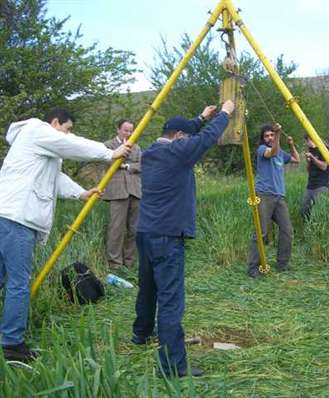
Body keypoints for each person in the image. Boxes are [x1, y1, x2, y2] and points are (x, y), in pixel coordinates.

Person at [0, 108, 130, 362]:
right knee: (19, 283)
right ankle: (11, 344)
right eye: (68, 128)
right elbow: (68, 143)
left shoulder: (40, 148)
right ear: (55, 123)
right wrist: (109, 153)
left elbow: (54, 179)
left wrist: (80, 193)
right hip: (16, 218)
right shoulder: (38, 130)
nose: (69, 134)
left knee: (3, 277)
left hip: (8, 216)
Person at [131, 101, 234, 378]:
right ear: (179, 138)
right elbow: (206, 139)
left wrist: (201, 117)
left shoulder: (152, 152)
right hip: (167, 236)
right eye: (184, 138)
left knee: (148, 288)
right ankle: (173, 366)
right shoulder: (177, 152)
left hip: (146, 232)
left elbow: (187, 133)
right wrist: (226, 112)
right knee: (170, 301)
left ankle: (140, 335)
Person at [247, 123, 300, 278]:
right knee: (261, 231)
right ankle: (253, 268)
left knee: (287, 230)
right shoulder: (262, 150)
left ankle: (282, 264)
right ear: (263, 139)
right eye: (267, 136)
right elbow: (272, 152)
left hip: (279, 196)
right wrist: (278, 134)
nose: (270, 138)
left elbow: (297, 160)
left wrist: (291, 145)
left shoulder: (281, 153)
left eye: (272, 135)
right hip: (264, 195)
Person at [101, 119, 142, 270]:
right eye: (126, 130)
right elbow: (107, 162)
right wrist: (122, 156)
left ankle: (129, 263)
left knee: (134, 229)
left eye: (131, 130)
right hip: (117, 192)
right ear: (118, 129)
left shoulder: (137, 147)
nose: (129, 133)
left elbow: (142, 165)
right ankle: (115, 264)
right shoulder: (107, 145)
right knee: (116, 228)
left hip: (135, 191)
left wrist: (127, 166)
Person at [300, 134, 329, 220]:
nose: (306, 144)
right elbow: (308, 170)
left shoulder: (324, 149)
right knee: (304, 210)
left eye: (306, 141)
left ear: (309, 139)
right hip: (310, 185)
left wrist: (313, 158)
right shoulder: (310, 150)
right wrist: (308, 161)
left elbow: (324, 166)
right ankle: (307, 229)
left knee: (318, 211)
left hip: (321, 185)